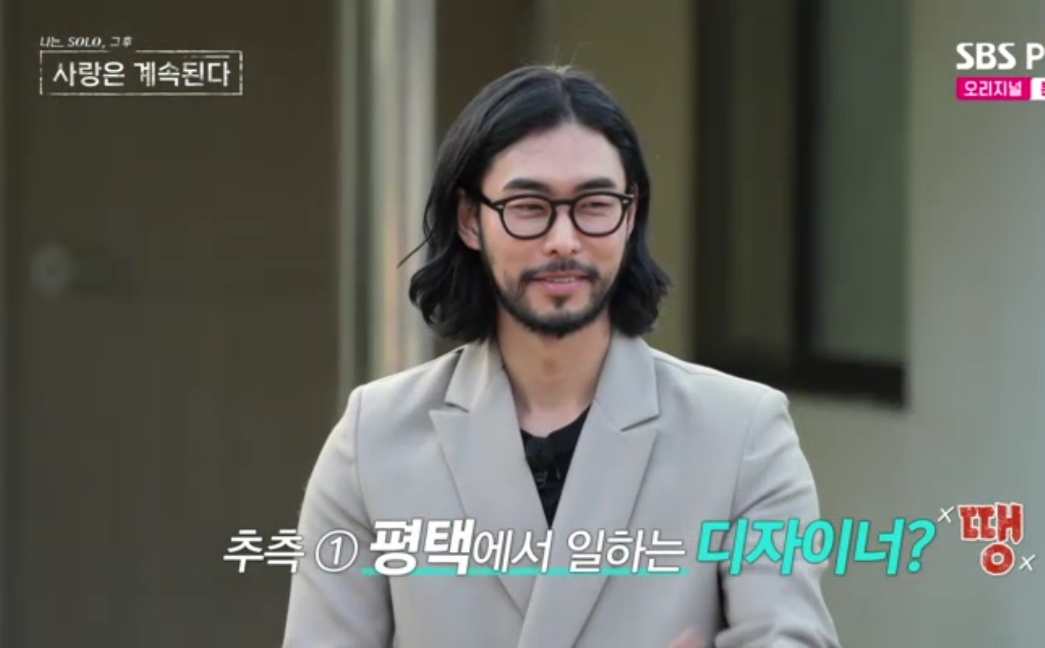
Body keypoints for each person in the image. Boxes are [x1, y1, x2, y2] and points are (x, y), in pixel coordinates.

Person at [282, 64, 840, 648]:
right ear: (470, 219)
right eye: (529, 206)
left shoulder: (742, 433)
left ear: (630, 213)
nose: (564, 240)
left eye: (594, 204)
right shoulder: (374, 439)